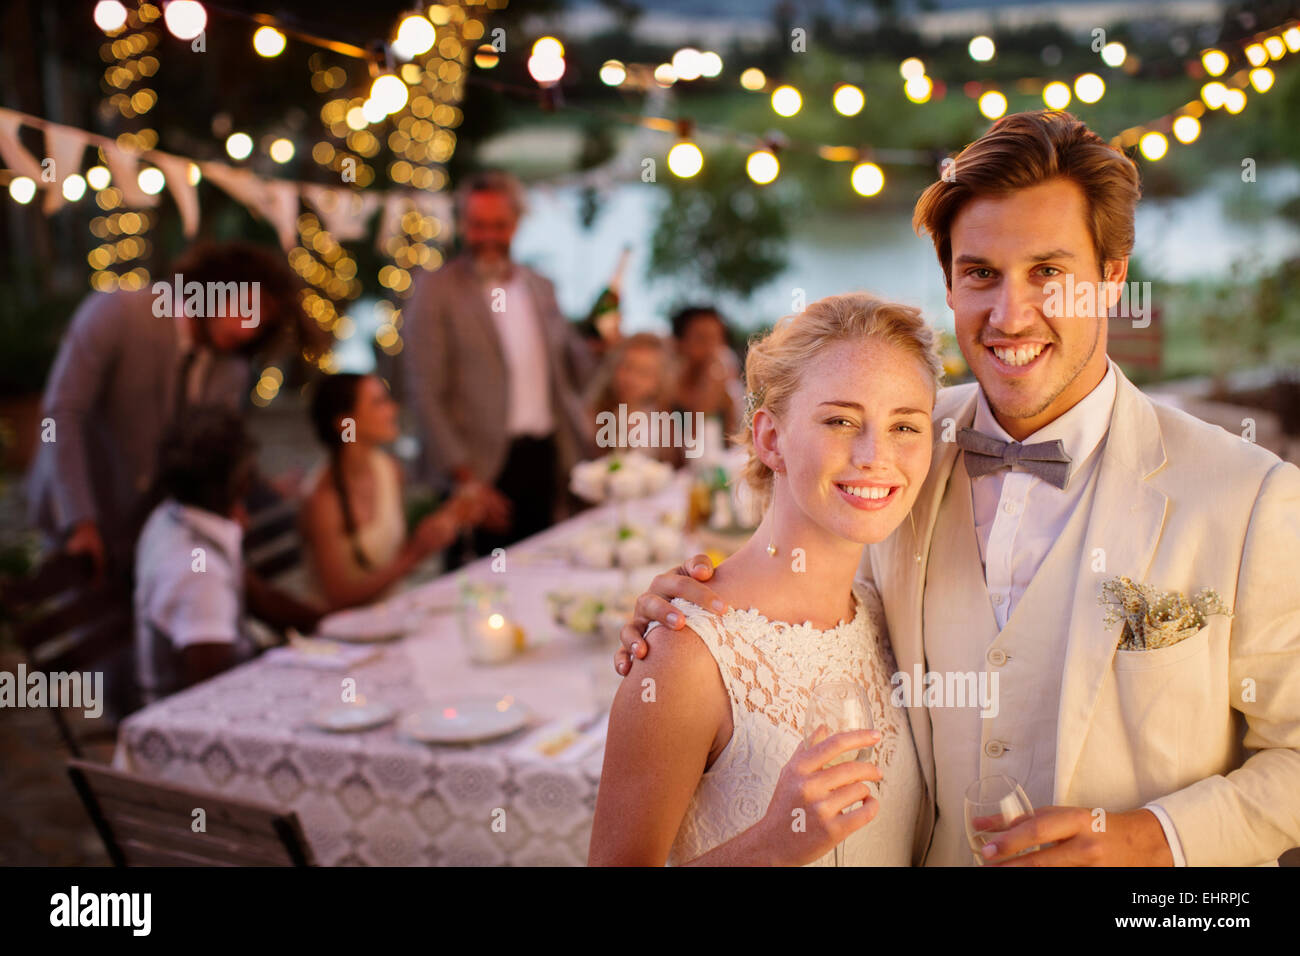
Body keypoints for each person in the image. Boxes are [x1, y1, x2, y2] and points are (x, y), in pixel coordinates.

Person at [618, 110, 1300, 866]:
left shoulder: (1250, 497)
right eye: (981, 273)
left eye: (1049, 272)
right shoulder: (902, 444)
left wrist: (1151, 841)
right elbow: (791, 537)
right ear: (949, 282)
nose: (1011, 315)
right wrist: (687, 605)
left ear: (1110, 279)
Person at [590, 293, 939, 866]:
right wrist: (774, 846)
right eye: (840, 420)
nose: (877, 455)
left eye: (905, 425)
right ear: (770, 438)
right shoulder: (683, 655)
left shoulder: (889, 617)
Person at [26, 239, 319, 579]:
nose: (247, 329)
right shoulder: (121, 312)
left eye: (262, 322)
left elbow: (212, 451)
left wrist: (239, 494)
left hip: (153, 535)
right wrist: (78, 519)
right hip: (83, 520)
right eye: (247, 307)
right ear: (215, 286)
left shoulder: (231, 369)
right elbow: (61, 414)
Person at [403, 169, 597, 559]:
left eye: (499, 226)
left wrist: (601, 343)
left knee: (540, 569)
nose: (488, 236)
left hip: (543, 457)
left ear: (517, 224)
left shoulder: (539, 285)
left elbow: (570, 364)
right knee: (476, 586)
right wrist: (466, 481)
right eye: (477, 226)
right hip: (477, 469)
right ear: (462, 224)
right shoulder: (435, 290)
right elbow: (425, 393)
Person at [134, 406, 320, 704]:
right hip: (195, 720)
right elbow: (212, 694)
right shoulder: (197, 570)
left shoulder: (174, 515)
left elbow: (263, 601)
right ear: (238, 480)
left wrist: (335, 625)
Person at [299, 372, 483, 610]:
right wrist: (415, 552)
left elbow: (393, 555)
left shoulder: (388, 469)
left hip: (393, 612)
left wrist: (448, 518)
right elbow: (339, 599)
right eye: (379, 403)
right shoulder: (322, 499)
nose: (393, 409)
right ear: (346, 424)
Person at [586, 331, 679, 466]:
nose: (631, 379)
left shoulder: (663, 419)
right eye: (627, 367)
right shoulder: (595, 415)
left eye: (643, 373)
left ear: (659, 382)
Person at [669, 305, 742, 442]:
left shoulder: (732, 394)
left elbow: (735, 446)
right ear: (680, 343)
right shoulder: (666, 395)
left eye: (717, 339)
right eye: (701, 339)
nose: (711, 349)